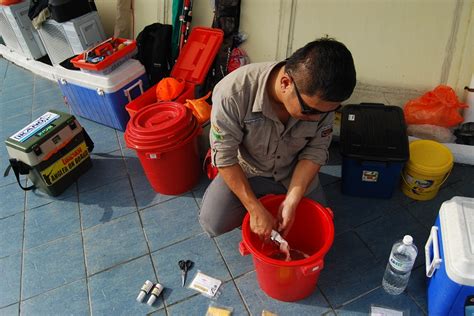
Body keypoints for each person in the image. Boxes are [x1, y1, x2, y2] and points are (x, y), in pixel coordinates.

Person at [199, 38, 356, 240]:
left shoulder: (321, 105)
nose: (317, 118)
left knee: (317, 226)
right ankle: (257, 206)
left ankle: (277, 201)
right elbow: (225, 158)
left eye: (329, 112)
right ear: (285, 83)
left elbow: (315, 151)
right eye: (309, 110)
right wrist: (254, 208)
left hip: (293, 170)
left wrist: (292, 200)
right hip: (248, 170)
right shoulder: (233, 93)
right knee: (213, 223)